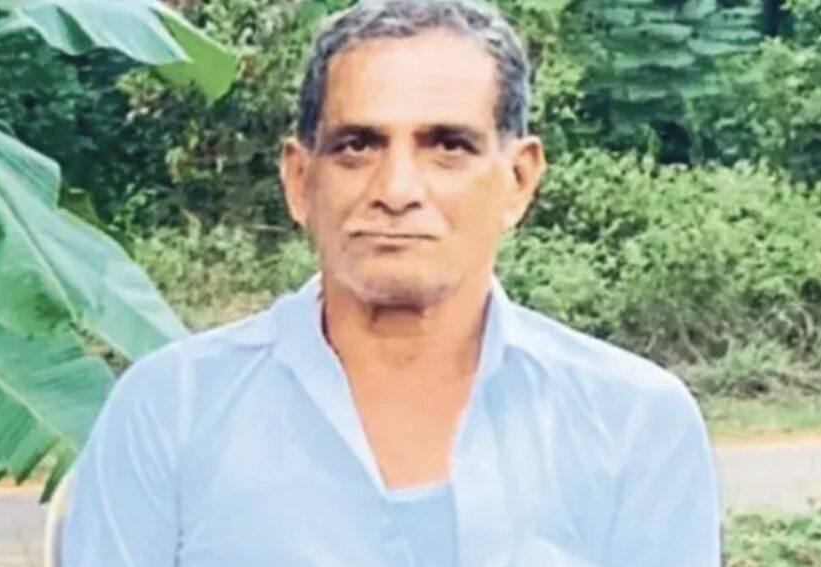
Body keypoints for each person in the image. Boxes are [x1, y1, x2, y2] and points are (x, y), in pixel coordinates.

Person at [60, 0, 721, 565]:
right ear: (300, 179)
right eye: (358, 146)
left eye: (448, 146)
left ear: (518, 179)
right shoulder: (170, 412)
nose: (397, 189)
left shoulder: (631, 422)